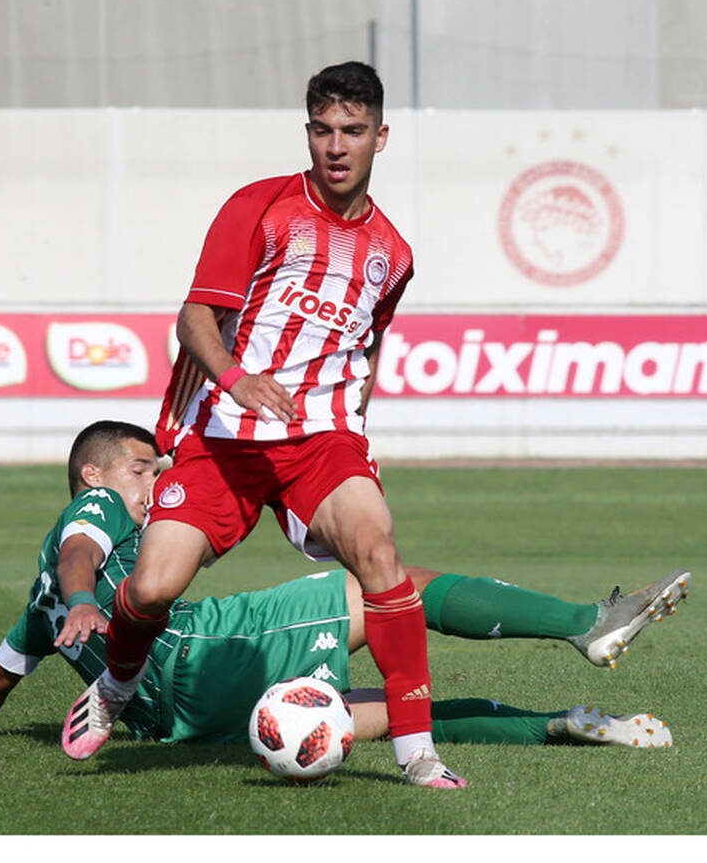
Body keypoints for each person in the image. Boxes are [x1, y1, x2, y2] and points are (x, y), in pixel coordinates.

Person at [62, 60, 475, 787]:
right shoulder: (259, 206)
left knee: (379, 552)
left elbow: (367, 346)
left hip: (321, 441)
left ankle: (417, 752)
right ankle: (116, 687)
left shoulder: (394, 254)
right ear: (307, 133)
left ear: (382, 136)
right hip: (220, 437)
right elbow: (194, 317)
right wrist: (235, 377)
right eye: (322, 130)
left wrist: (355, 432)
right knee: (153, 588)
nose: (336, 146)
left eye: (352, 131)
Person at [0, 420, 691, 760]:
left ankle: (561, 724)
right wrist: (87, 596)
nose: (156, 478)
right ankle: (586, 622)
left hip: (182, 724)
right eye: (144, 466)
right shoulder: (97, 511)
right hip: (205, 648)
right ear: (94, 474)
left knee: (397, 712)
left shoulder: (37, 610)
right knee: (392, 585)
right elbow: (81, 549)